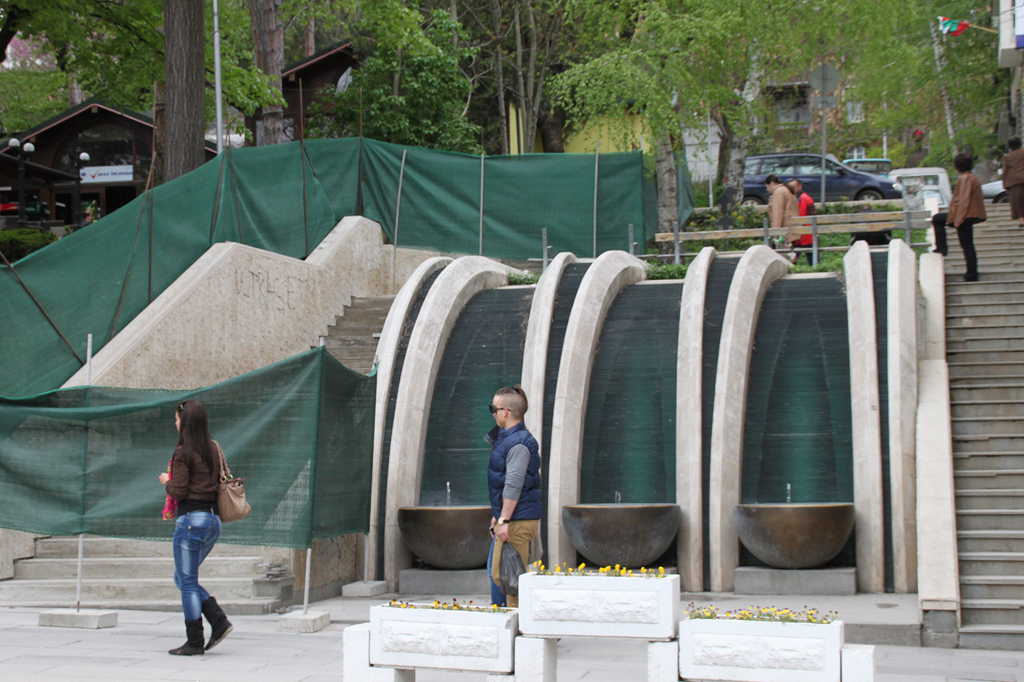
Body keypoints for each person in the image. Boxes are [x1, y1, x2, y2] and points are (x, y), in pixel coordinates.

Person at [158, 400, 233, 655]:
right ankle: (218, 621)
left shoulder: (183, 452)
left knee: (187, 582)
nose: (175, 423)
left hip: (192, 521)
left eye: (177, 419)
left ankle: (195, 641)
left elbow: (179, 491)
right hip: (213, 521)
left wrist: (166, 481)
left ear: (185, 423)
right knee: (182, 578)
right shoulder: (213, 447)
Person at [485, 385, 541, 608]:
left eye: (494, 408)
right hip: (513, 518)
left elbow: (514, 484)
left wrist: (505, 519)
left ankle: (516, 622)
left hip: (516, 521)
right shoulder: (509, 439)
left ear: (505, 411)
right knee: (499, 574)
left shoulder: (518, 443)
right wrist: (498, 515)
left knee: (510, 579)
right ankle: (502, 618)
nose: (493, 413)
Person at [932, 153, 986, 282]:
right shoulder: (971, 178)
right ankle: (971, 273)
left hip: (965, 215)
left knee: (966, 245)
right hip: (968, 215)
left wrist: (958, 219)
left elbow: (964, 201)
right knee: (967, 245)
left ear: (957, 167)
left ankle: (971, 274)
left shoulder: (965, 179)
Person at [765, 174, 798, 251]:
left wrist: (775, 232)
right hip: (792, 227)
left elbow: (777, 213)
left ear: (772, 183)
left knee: (784, 254)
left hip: (785, 230)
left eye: (767, 186)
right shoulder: (786, 190)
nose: (767, 189)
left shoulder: (779, 192)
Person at [787, 179, 815, 263]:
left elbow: (802, 217)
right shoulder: (802, 198)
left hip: (803, 235)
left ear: (800, 186)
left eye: (793, 186)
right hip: (805, 235)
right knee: (813, 260)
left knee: (791, 261)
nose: (791, 188)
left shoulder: (803, 199)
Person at [1001, 136, 1024, 227]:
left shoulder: (1007, 156)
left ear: (1009, 146)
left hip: (1014, 181)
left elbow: (1005, 171)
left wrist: (1004, 184)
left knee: (1017, 202)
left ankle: (1021, 220)